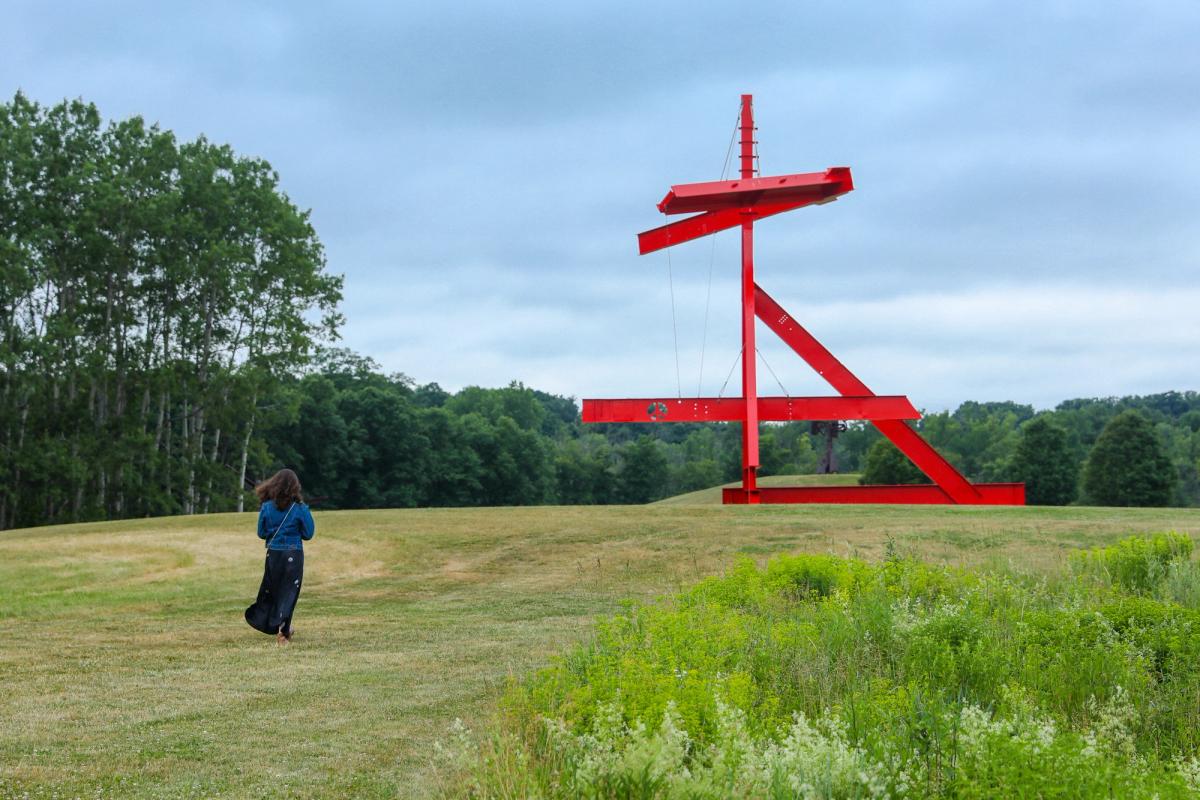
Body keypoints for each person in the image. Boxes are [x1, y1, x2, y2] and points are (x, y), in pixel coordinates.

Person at [244, 468, 315, 645]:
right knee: (289, 593)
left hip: (273, 555)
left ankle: (280, 626)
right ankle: (283, 632)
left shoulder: (267, 507)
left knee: (274, 591)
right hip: (293, 554)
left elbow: (261, 532)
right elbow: (308, 533)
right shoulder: (299, 508)